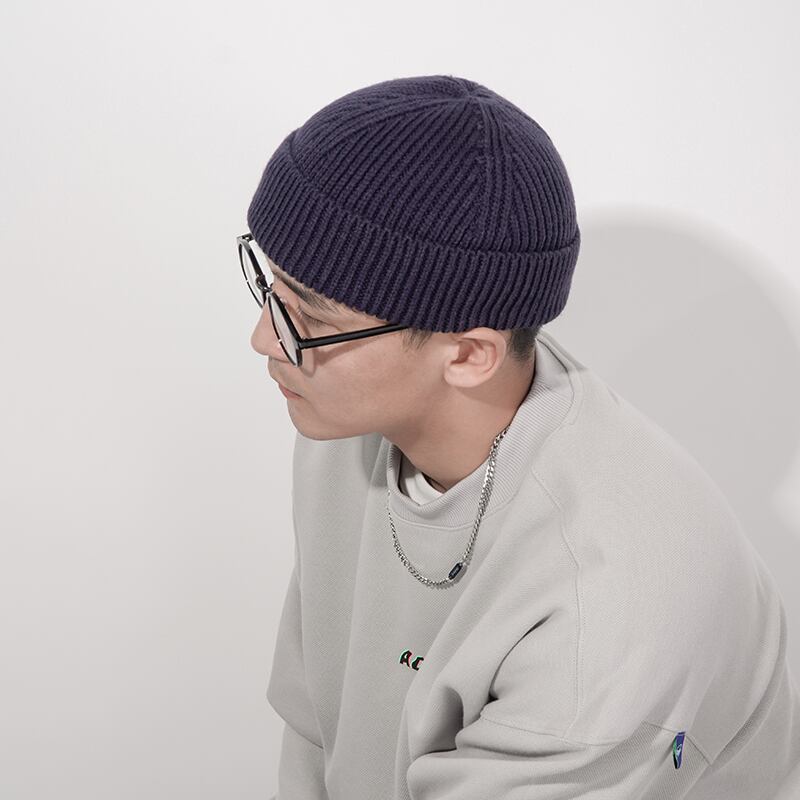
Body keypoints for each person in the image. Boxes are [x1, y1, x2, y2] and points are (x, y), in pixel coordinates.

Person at [241, 74, 800, 799]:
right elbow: (319, 728)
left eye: (311, 318)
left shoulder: (610, 600)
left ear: (470, 355)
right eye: (270, 288)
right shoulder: (344, 423)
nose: (265, 338)